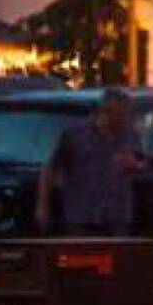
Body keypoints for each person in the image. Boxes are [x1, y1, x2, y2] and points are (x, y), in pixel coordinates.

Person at [37, 87, 144, 236]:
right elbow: (51, 168)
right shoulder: (75, 135)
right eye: (122, 115)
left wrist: (134, 164)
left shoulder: (130, 134)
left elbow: (142, 162)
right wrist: (43, 205)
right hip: (82, 217)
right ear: (106, 112)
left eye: (127, 115)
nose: (126, 119)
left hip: (117, 217)